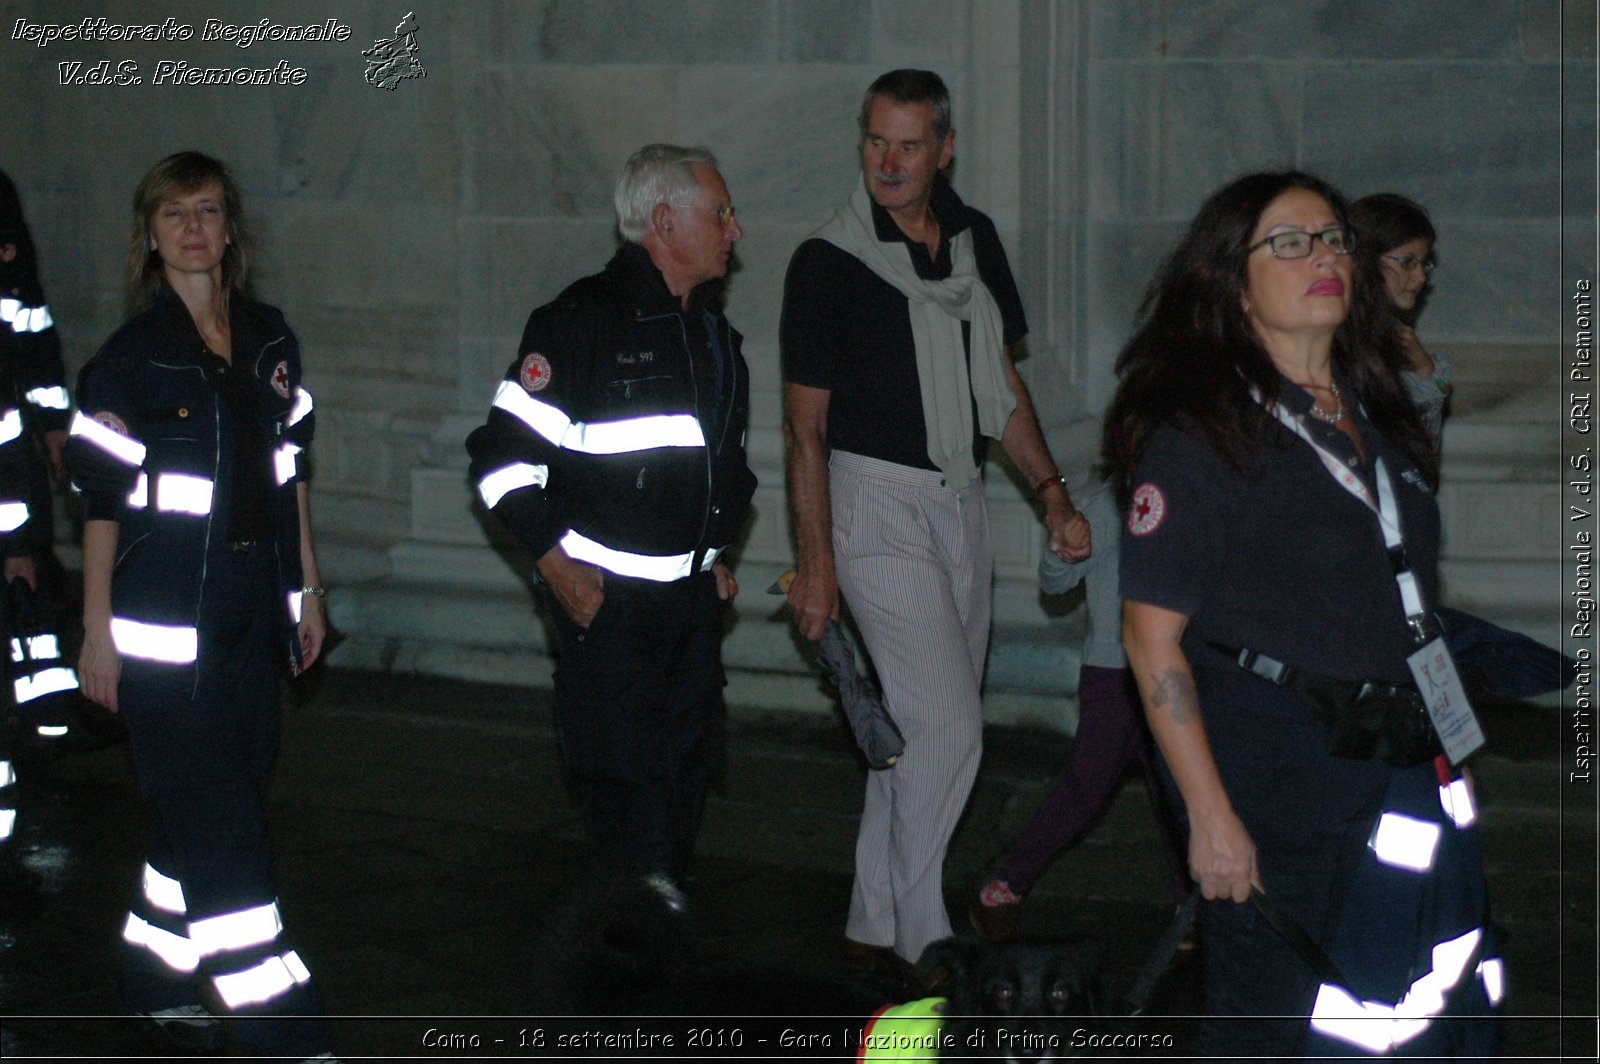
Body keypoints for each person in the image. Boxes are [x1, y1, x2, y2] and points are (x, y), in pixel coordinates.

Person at [1107, 170, 1500, 1058]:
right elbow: (1150, 636)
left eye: (1331, 238)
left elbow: (1410, 603)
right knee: (1266, 1018)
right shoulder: (1204, 434)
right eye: (1288, 242)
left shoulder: (1376, 413)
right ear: (1232, 284)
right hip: (1270, 767)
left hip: (1391, 759)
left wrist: (1449, 752)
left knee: (1389, 1002)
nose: (1322, 255)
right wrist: (1208, 818)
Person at [780, 68, 1091, 970]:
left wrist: (1052, 494)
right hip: (870, 502)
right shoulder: (827, 262)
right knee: (952, 728)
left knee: (915, 732)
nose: (888, 161)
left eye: (909, 144)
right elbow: (804, 429)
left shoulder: (972, 239)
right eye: (876, 140)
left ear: (944, 149)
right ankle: (925, 937)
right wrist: (816, 565)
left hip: (960, 500)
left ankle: (870, 920)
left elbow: (1000, 383)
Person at [66, 151, 333, 1060]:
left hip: (257, 613)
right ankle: (286, 1036)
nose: (193, 227)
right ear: (151, 234)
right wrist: (94, 632)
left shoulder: (270, 341)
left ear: (230, 229)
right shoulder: (128, 364)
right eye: (174, 213)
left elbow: (289, 474)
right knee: (226, 833)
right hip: (162, 632)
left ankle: (150, 975)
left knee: (209, 801)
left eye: (209, 210)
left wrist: (310, 588)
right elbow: (100, 504)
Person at [466, 144, 755, 906]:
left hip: (691, 615)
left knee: (682, 790)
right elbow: (500, 461)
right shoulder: (581, 322)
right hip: (610, 612)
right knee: (629, 806)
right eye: (719, 213)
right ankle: (628, 979)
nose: (735, 229)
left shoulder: (717, 343)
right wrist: (554, 562)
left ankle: (649, 950)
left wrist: (711, 549)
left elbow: (720, 472)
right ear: (665, 223)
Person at [969, 482, 1188, 943]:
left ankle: (1192, 910)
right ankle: (1002, 888)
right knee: (1085, 789)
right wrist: (1063, 548)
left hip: (1177, 674)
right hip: (1117, 675)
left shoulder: (1197, 488)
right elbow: (1056, 580)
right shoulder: (1113, 500)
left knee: (1184, 794)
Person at [1349, 193, 1448, 444]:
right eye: (1407, 262)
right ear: (1366, 258)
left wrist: (1424, 371)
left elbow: (1419, 451)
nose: (1421, 277)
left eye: (1424, 264)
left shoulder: (1393, 333)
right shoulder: (1334, 332)